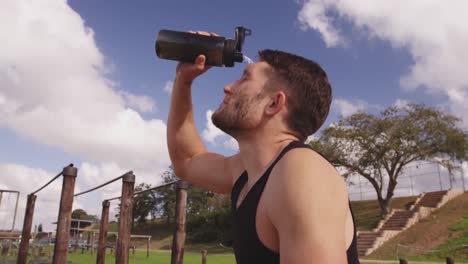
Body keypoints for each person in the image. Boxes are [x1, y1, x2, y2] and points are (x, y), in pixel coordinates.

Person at [166, 31, 360, 263]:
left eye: (244, 79)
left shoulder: (302, 173)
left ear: (274, 103)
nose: (228, 87)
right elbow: (187, 161)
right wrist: (183, 80)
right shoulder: (247, 172)